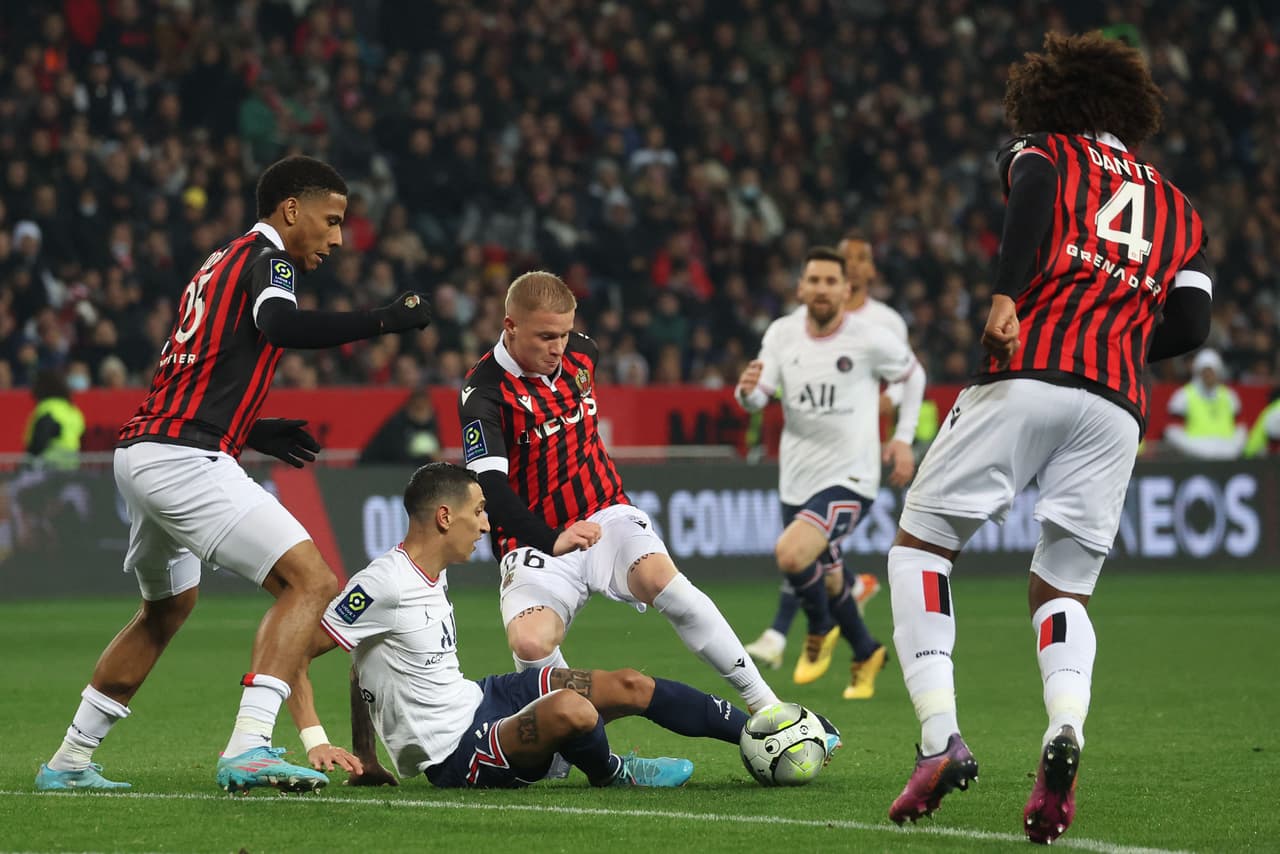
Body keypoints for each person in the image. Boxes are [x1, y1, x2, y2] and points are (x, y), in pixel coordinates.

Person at [882, 33, 1212, 844]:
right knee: (1061, 591)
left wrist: (1006, 296)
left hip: (1030, 372)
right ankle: (1065, 727)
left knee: (921, 545)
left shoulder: (1046, 150)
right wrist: (1121, 338)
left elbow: (1030, 190)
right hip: (1117, 405)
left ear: (1051, 98)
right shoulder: (1183, 211)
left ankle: (939, 740)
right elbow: (1193, 324)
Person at [35, 155, 434, 794]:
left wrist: (250, 429)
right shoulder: (270, 259)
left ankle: (70, 759)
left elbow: (198, 368)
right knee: (312, 581)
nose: (337, 238)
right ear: (290, 211)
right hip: (183, 460)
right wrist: (381, 320)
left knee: (165, 611)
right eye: (330, 222)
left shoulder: (217, 263)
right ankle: (248, 747)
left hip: (144, 451)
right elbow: (278, 323)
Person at [457, 271, 790, 722]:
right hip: (536, 537)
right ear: (510, 326)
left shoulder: (582, 354)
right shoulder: (485, 394)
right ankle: (566, 738)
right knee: (530, 643)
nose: (558, 348)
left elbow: (575, 355)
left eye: (565, 334)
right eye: (545, 337)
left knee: (662, 581)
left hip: (605, 511)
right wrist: (551, 537)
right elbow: (490, 491)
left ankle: (767, 705)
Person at [293, 462, 753, 789]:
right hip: (455, 753)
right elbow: (295, 655)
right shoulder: (383, 583)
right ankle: (612, 772)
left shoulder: (430, 572)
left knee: (630, 684)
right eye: (478, 512)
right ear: (444, 517)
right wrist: (316, 738)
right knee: (572, 710)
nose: (487, 524)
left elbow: (361, 661)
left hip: (480, 699)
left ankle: (763, 732)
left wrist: (368, 759)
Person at [736, 247, 925, 699]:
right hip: (796, 478)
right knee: (832, 574)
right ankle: (866, 649)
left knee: (790, 555)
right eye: (813, 280)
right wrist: (746, 394)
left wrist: (902, 436)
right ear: (801, 287)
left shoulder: (869, 337)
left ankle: (819, 624)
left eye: (829, 281)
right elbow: (761, 393)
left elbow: (913, 375)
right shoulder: (782, 333)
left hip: (851, 477)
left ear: (846, 289)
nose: (821, 289)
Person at [1163, 348, 1247, 460]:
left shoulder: (1229, 396)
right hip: (1194, 456)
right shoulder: (1183, 395)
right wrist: (1195, 448)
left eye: (1212, 371)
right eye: (1205, 371)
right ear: (1198, 372)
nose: (1209, 375)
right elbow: (1172, 431)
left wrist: (1233, 447)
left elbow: (1240, 427)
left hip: (1227, 454)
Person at [358, 388, 442, 466]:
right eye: (419, 408)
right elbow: (400, 458)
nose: (423, 413)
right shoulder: (396, 424)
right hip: (376, 468)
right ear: (410, 408)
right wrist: (428, 459)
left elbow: (439, 448)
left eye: (427, 408)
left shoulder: (431, 422)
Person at [23, 368, 85, 470]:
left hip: (48, 468)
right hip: (71, 467)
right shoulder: (73, 411)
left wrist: (27, 464)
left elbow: (39, 442)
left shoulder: (48, 408)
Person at [1244, 388, 1280, 458]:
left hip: (1254, 452)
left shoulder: (1272, 408)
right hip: (1256, 455)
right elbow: (1272, 431)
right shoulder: (1277, 408)